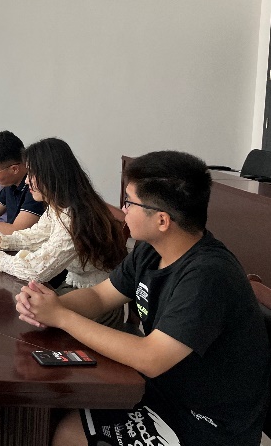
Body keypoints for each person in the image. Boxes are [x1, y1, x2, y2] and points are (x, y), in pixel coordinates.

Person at [16, 151, 270, 446]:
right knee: (54, 413)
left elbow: (150, 358)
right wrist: (48, 306)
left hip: (207, 423)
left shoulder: (208, 275)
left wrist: (62, 317)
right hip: (163, 393)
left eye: (130, 202)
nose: (122, 209)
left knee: (67, 432)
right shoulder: (150, 250)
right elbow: (100, 296)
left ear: (162, 220)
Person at [0, 138, 127, 326]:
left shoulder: (74, 216)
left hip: (97, 303)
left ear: (51, 175)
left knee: (27, 316)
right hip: (75, 288)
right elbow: (33, 236)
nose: (27, 180)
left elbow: (37, 271)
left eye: (32, 174)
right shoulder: (59, 205)